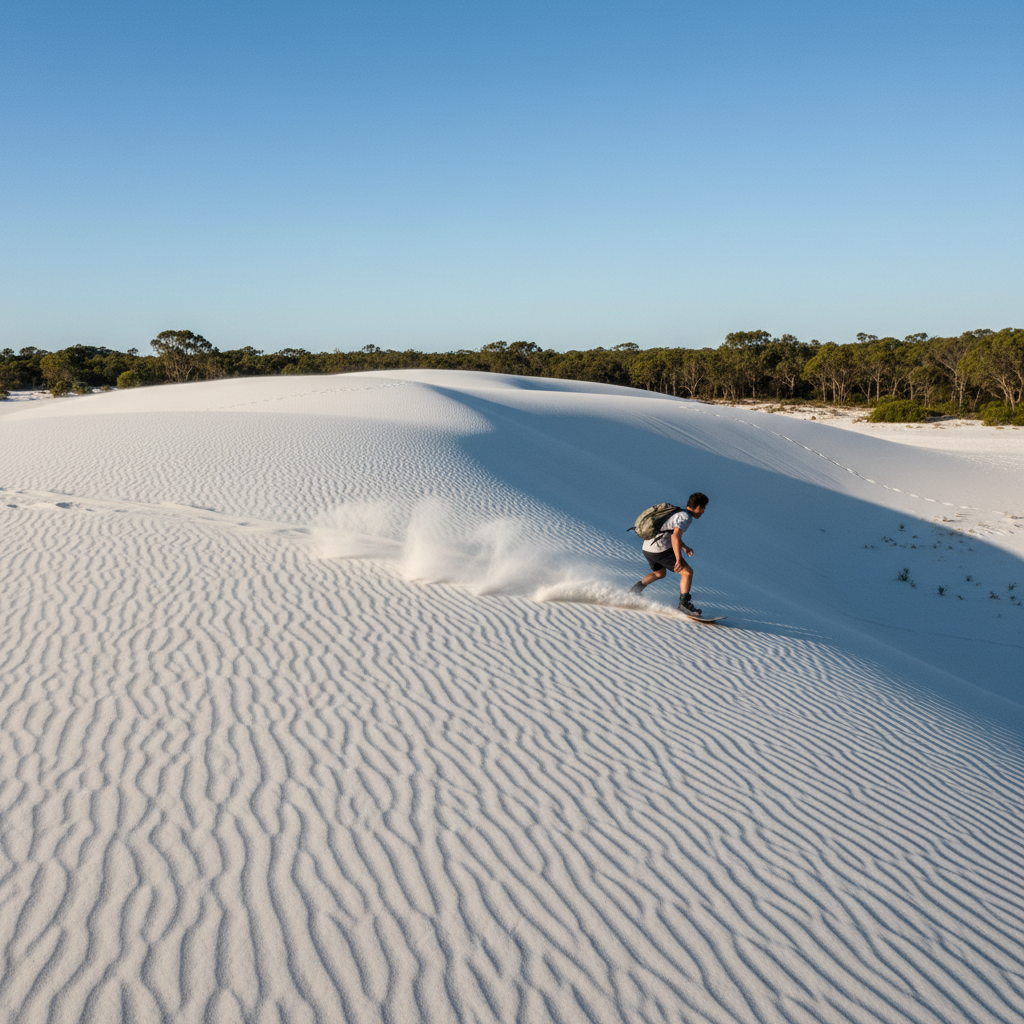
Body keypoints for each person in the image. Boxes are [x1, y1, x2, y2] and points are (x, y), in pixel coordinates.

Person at [629, 493, 709, 615]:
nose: (703, 511)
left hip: (647, 548)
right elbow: (675, 536)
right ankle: (684, 605)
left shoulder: (678, 512)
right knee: (687, 572)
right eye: (703, 507)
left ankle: (634, 591)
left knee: (659, 573)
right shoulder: (685, 517)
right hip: (659, 549)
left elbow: (670, 532)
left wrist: (684, 546)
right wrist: (678, 558)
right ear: (697, 507)